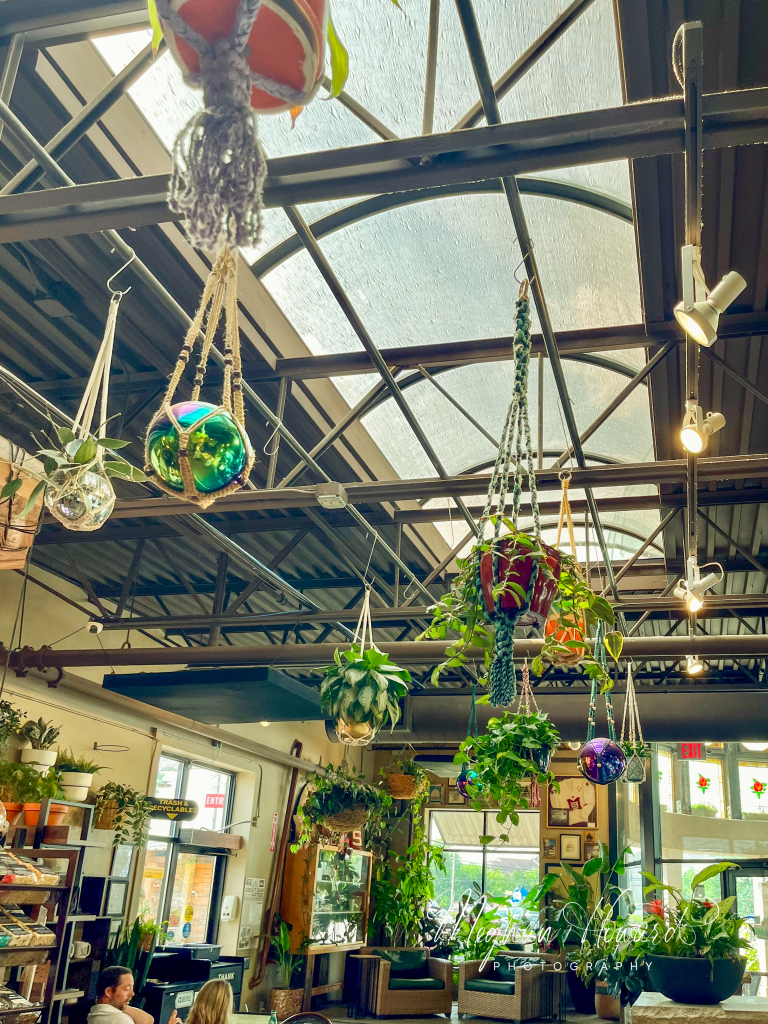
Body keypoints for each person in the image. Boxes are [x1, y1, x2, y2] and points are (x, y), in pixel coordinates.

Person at [88, 966, 179, 1024]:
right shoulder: (119, 1020)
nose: (132, 993)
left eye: (132, 988)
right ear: (109, 992)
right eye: (127, 989)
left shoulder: (94, 1015)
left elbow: (148, 1021)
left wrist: (112, 1003)